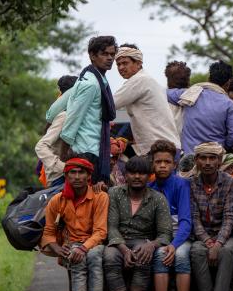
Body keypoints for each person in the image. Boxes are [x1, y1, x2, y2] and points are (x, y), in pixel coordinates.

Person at [103, 155, 172, 291]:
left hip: (143, 241)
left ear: (149, 176)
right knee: (109, 257)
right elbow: (111, 227)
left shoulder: (158, 199)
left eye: (142, 173)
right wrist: (124, 250)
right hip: (118, 242)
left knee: (143, 256)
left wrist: (151, 245)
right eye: (132, 172)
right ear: (125, 175)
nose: (137, 177)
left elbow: (166, 233)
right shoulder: (115, 194)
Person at [40, 157, 110, 291]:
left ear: (88, 176)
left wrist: (83, 247)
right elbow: (47, 233)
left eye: (81, 173)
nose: (77, 177)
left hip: (94, 244)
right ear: (66, 176)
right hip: (71, 246)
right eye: (73, 172)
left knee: (92, 257)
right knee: (76, 258)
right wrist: (57, 249)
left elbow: (101, 232)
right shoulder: (57, 200)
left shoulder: (100, 197)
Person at [189, 142, 233, 291]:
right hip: (202, 237)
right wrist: (207, 242)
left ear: (219, 161)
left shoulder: (230, 182)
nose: (208, 162)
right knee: (196, 252)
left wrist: (217, 244)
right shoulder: (192, 183)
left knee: (227, 252)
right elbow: (194, 218)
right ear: (197, 160)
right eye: (203, 158)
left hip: (225, 236)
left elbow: (230, 217)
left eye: (212, 158)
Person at [148, 139, 193, 291]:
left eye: (167, 162)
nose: (163, 165)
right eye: (158, 162)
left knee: (181, 256)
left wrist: (174, 245)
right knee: (159, 257)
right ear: (152, 163)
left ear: (174, 164)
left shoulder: (181, 184)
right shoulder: (149, 187)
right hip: (160, 238)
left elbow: (185, 221)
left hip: (180, 237)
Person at [59, 36, 118, 183]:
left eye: (112, 54)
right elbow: (73, 118)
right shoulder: (91, 84)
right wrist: (63, 154)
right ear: (92, 56)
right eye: (104, 54)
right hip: (86, 152)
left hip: (94, 149)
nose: (110, 58)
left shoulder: (96, 79)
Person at [113, 44, 180, 156]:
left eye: (125, 63)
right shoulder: (147, 79)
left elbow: (109, 105)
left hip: (159, 149)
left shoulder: (139, 80)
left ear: (138, 63)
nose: (120, 68)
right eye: (118, 64)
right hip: (166, 146)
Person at [169, 61, 233, 153]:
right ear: (228, 83)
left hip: (189, 157)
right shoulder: (230, 105)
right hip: (215, 159)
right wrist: (222, 146)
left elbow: (163, 94)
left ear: (208, 78)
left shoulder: (190, 94)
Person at [35, 75, 79, 187]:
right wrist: (63, 167)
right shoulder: (64, 116)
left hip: (75, 176)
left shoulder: (76, 115)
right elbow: (41, 146)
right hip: (60, 178)